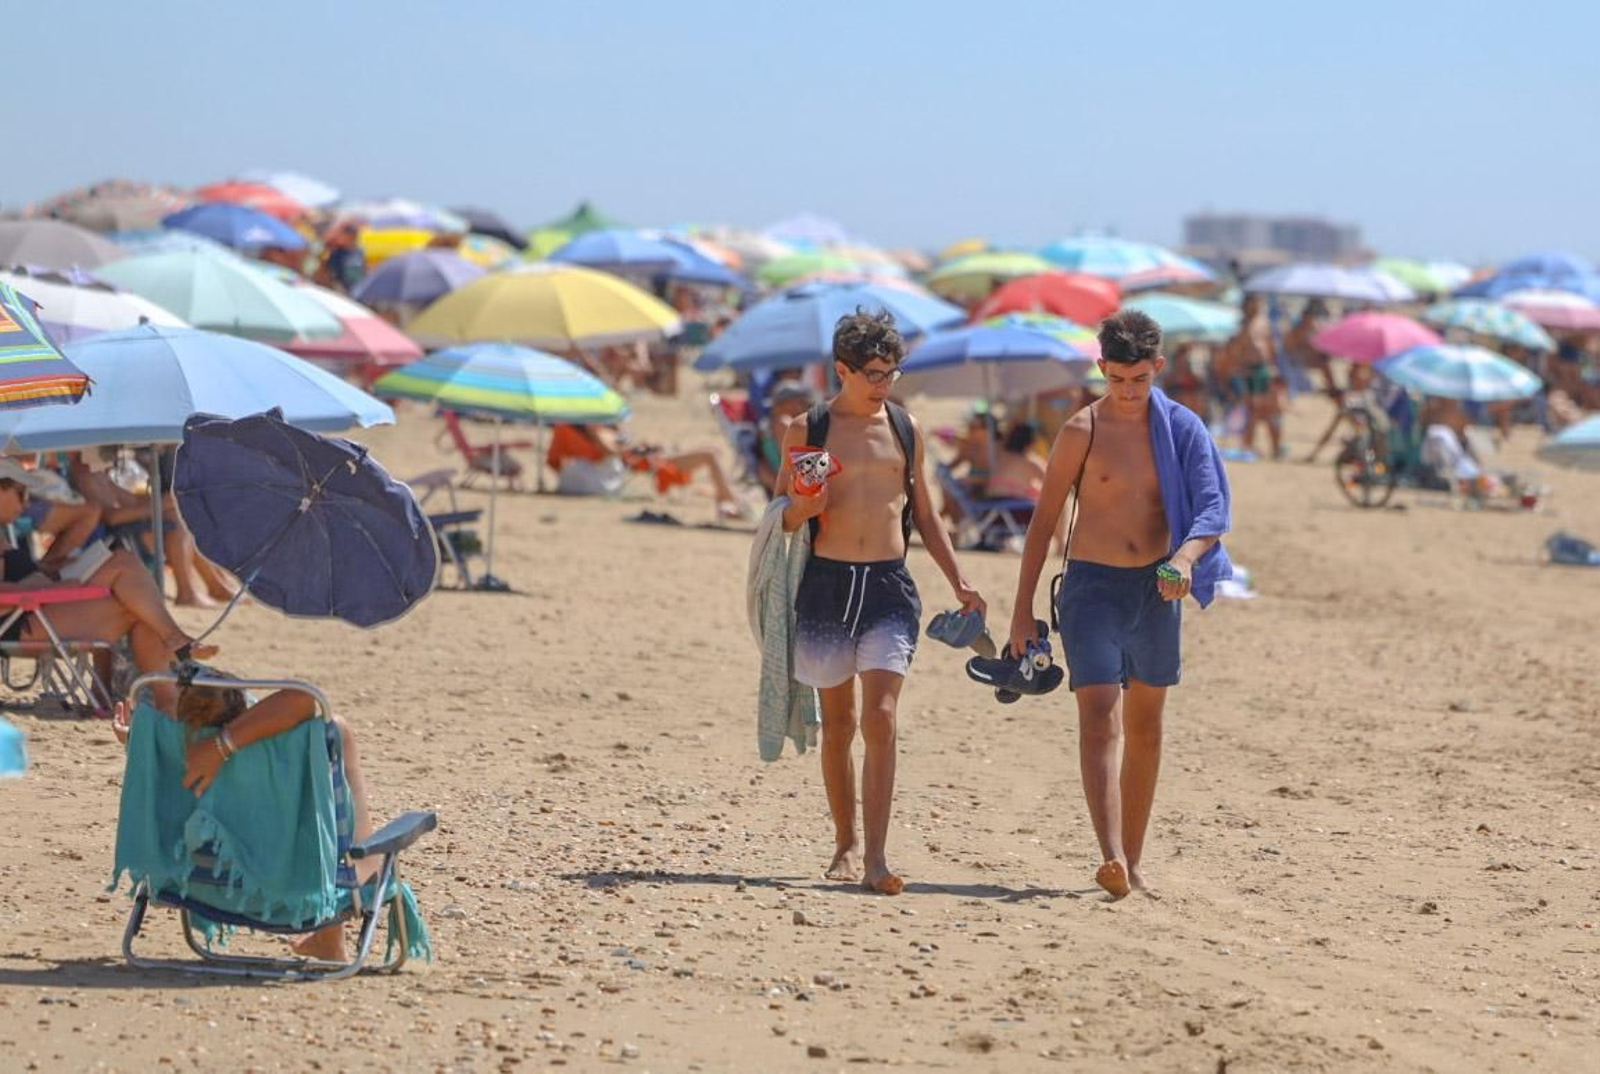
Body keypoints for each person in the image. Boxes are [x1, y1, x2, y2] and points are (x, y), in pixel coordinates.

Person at [1005, 310, 1231, 900]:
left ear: (1158, 367)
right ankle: (1110, 857)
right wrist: (1021, 609)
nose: (1128, 392)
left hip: (1156, 588)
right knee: (1100, 716)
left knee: (1146, 727)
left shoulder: (1182, 429)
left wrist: (1185, 559)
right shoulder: (1081, 430)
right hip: (1091, 588)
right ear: (1101, 367)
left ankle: (1133, 859)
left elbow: (1213, 509)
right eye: (1117, 380)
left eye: (1140, 380)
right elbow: (1042, 523)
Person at [778, 309, 985, 895]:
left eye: (892, 372)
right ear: (842, 369)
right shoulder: (810, 428)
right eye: (872, 373)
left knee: (881, 718)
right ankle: (844, 842)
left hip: (889, 587)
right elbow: (781, 518)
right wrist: (805, 506)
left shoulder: (903, 426)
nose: (883, 383)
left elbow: (926, 513)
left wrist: (959, 580)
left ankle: (876, 857)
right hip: (827, 584)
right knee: (840, 723)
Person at [111, 672, 376, 962]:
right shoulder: (283, 756)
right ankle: (330, 939)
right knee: (336, 732)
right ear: (244, 709)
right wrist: (222, 746)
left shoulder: (165, 748)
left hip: (193, 888)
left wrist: (137, 741)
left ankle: (329, 941)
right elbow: (303, 698)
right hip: (290, 892)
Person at [0, 461, 218, 677]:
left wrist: (47, 569)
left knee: (127, 571)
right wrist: (43, 588)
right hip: (21, 621)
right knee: (136, 604)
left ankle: (164, 665)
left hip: (35, 608)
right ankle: (171, 661)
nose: (26, 504)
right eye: (21, 493)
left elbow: (15, 574)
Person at [545, 422, 745, 519]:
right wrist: (632, 448)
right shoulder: (589, 427)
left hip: (645, 458)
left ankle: (727, 501)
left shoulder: (604, 425)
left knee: (712, 452)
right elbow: (610, 452)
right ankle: (728, 503)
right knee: (709, 455)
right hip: (643, 465)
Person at [1218, 294, 1283, 458]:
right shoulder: (1241, 326)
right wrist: (1236, 369)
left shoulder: (1263, 322)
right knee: (1252, 410)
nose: (1255, 307)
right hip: (1248, 370)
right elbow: (1233, 352)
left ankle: (1275, 447)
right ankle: (1248, 446)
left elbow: (1270, 346)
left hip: (1264, 369)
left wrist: (1274, 367)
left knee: (1271, 409)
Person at [755, 380, 819, 497]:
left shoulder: (767, 425)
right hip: (793, 487)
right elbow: (792, 464)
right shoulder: (784, 423)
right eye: (802, 402)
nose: (805, 407)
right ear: (788, 403)